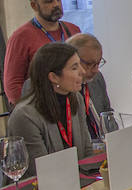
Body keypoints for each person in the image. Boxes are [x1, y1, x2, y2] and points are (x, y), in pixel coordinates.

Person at [8, 43, 92, 177]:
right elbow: (39, 171)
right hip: (40, 186)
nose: (83, 71)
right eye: (74, 67)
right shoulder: (25, 116)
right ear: (54, 77)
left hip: (76, 179)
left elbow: (86, 151)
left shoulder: (76, 99)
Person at [4, 0, 82, 105]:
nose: (56, 4)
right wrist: (26, 110)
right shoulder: (20, 37)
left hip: (72, 104)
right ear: (34, 5)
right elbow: (12, 83)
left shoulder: (73, 30)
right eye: (49, 1)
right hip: (39, 107)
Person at [68, 33, 110, 142]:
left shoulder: (97, 78)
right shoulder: (64, 89)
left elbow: (108, 113)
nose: (95, 70)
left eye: (98, 63)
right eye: (89, 64)